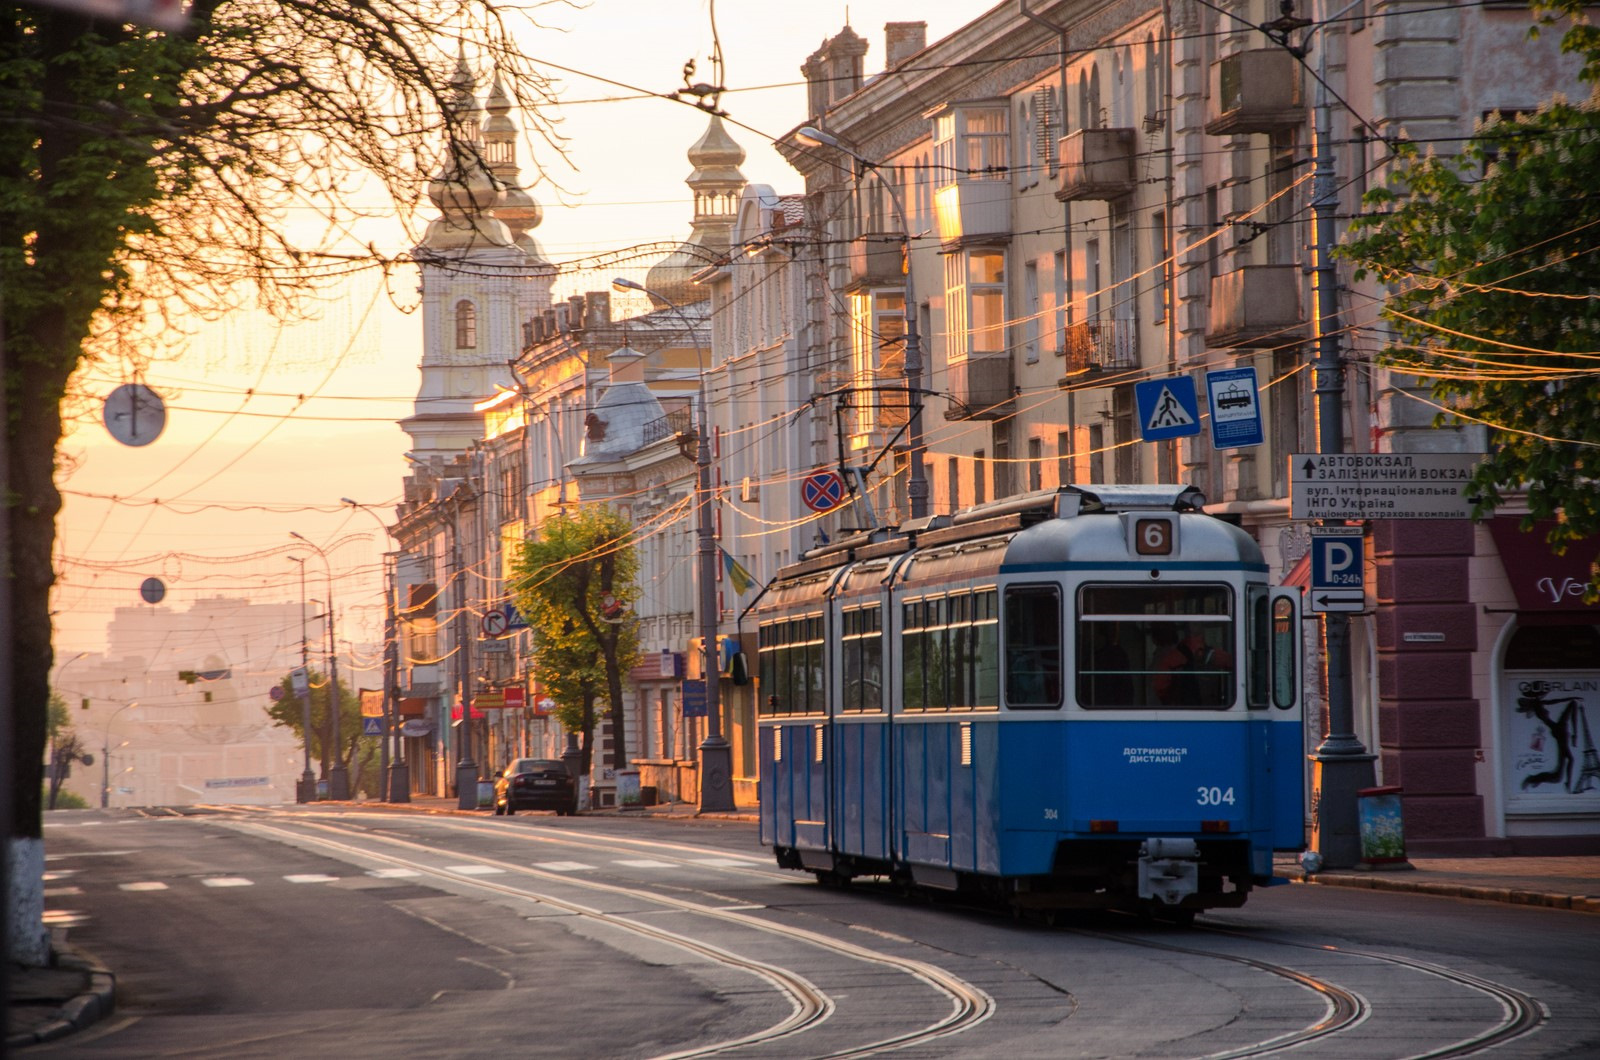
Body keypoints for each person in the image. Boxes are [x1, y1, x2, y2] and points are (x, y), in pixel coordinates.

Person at [1154, 626, 1233, 706]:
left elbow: (1161, 688)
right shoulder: (1214, 654)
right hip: (1211, 707)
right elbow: (1234, 665)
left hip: (1181, 708)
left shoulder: (1171, 658)